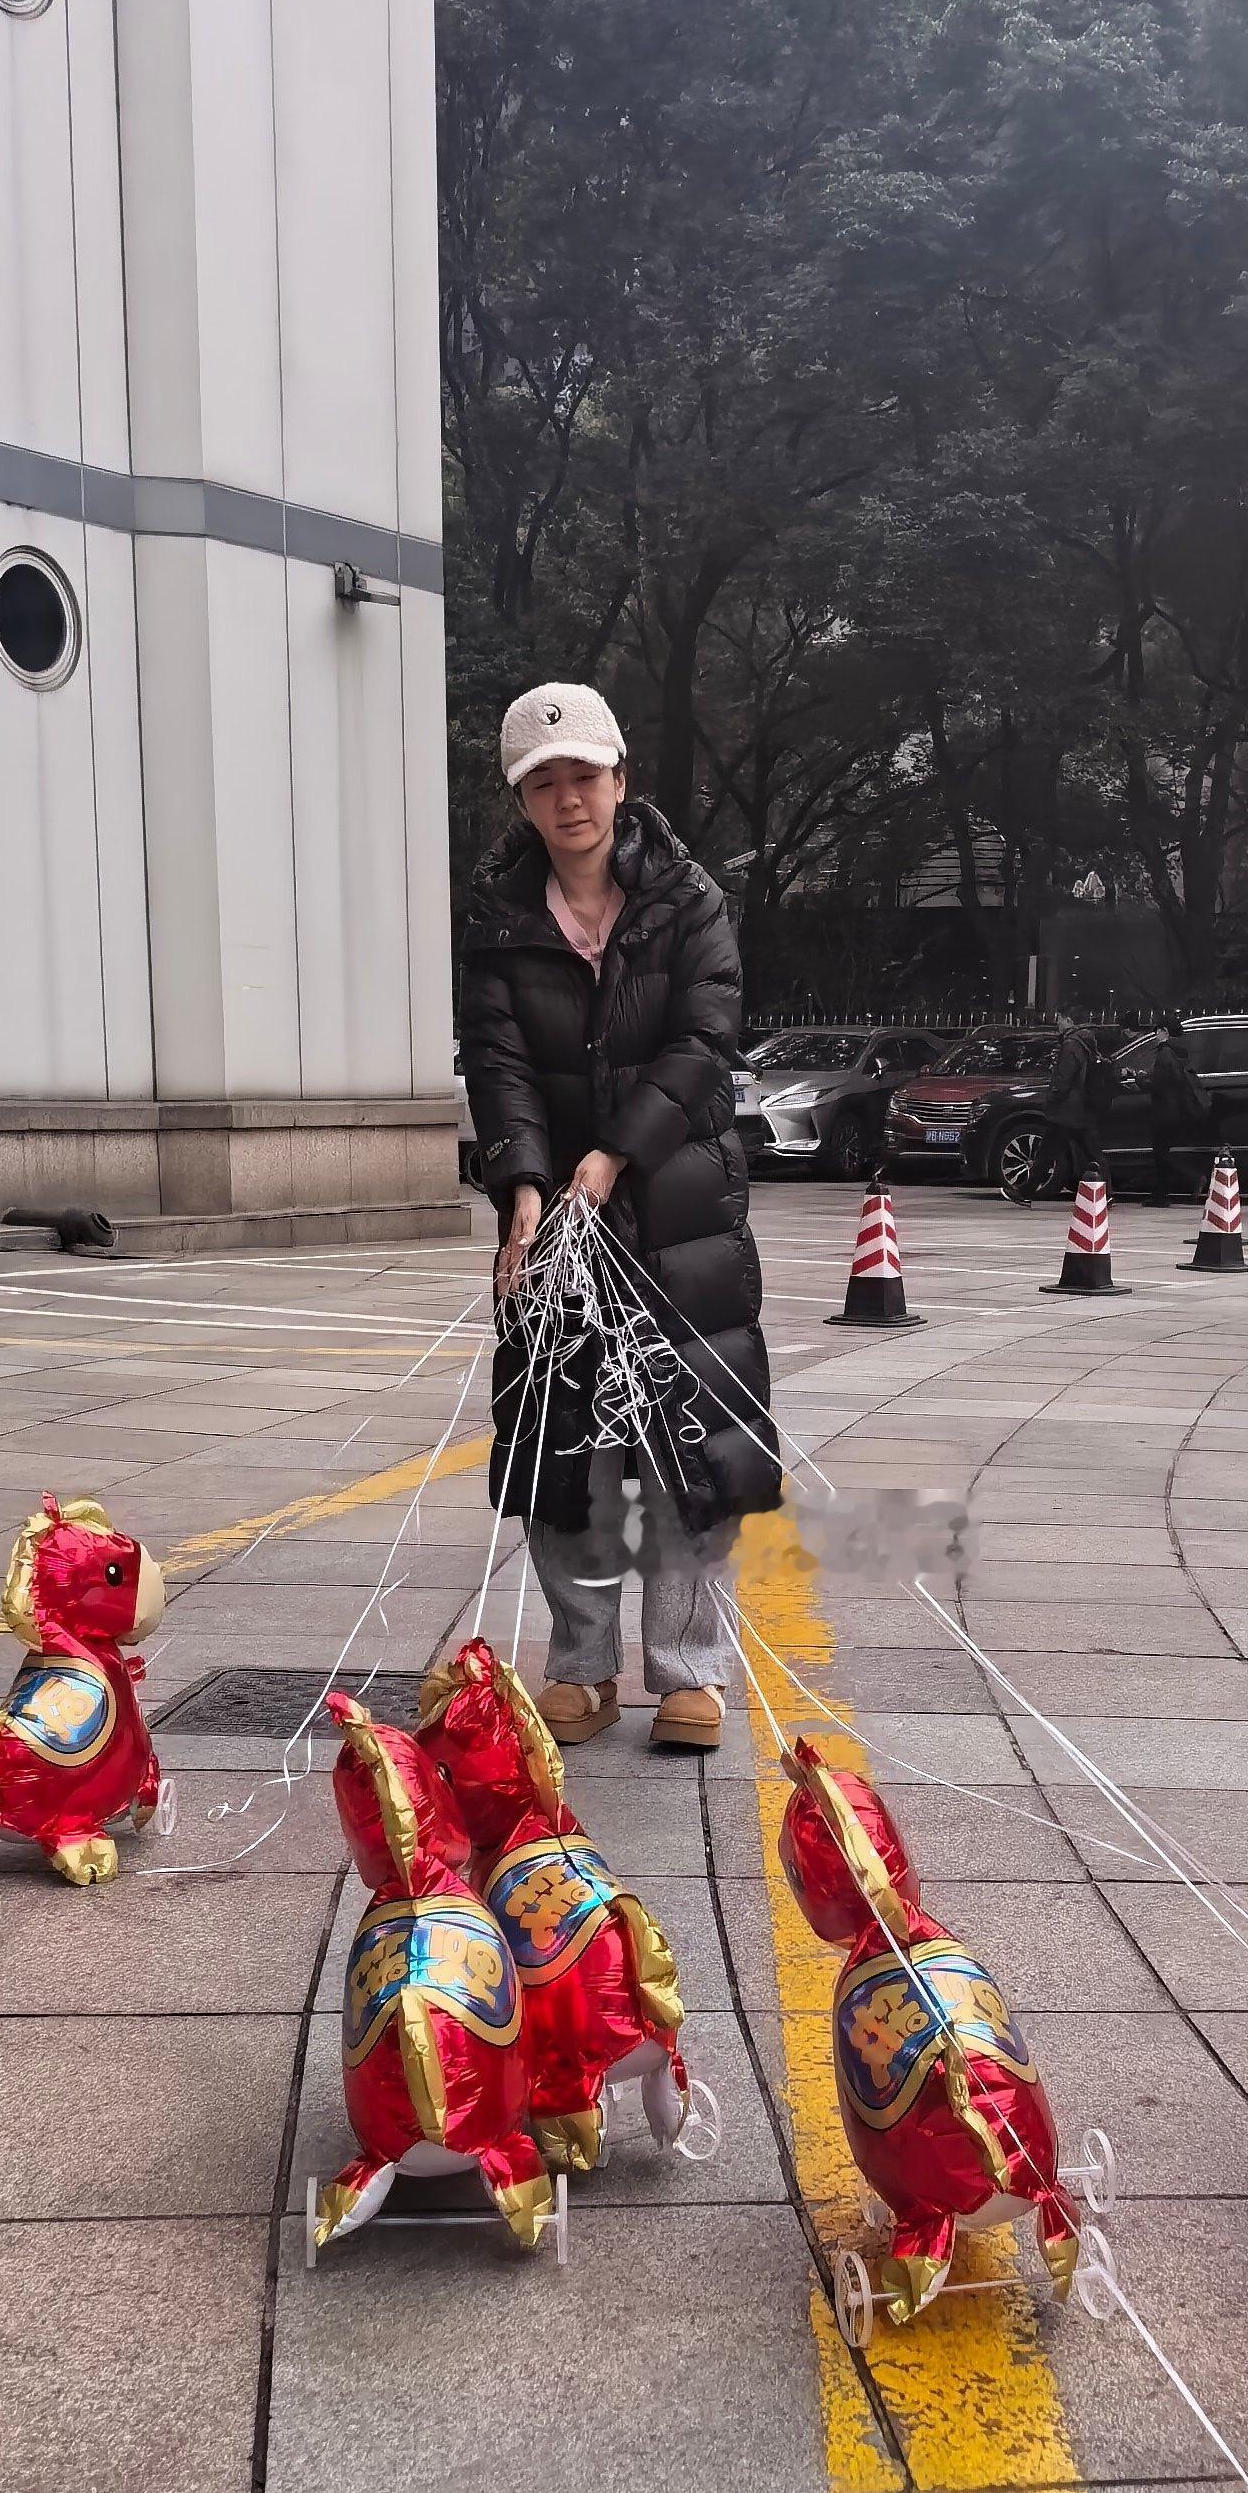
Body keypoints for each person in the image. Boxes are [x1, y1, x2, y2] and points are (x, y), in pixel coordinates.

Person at [459, 681, 781, 1755]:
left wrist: (615, 1153)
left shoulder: (689, 900)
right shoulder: (499, 918)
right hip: (557, 1219)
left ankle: (689, 1672)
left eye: (584, 777)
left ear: (620, 781)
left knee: (693, 1445)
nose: (568, 800)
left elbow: (705, 1041)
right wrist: (522, 1185)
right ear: (523, 801)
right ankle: (582, 1666)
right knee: (565, 1451)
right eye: (543, 784)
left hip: (681, 1210)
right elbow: (498, 1063)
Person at [1143, 1017, 1212, 1203]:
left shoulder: (1165, 1054)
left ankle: (1192, 1178)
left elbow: (1160, 1084)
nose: (1155, 1035)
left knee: (1161, 1154)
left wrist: (1140, 1079)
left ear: (1164, 1031)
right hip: (1177, 1108)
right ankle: (1160, 1195)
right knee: (1163, 1153)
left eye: (1156, 1031)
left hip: (1164, 1109)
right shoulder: (1180, 1052)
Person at [1038, 1011, 1101, 1200]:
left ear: (1069, 1020)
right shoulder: (1087, 1042)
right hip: (1082, 1107)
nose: (1058, 1024)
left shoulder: (1070, 1044)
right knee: (1093, 1153)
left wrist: (1052, 1098)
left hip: (1066, 1109)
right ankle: (1108, 1193)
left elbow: (1064, 1078)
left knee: (1046, 1151)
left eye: (1059, 1020)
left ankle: (1027, 1190)